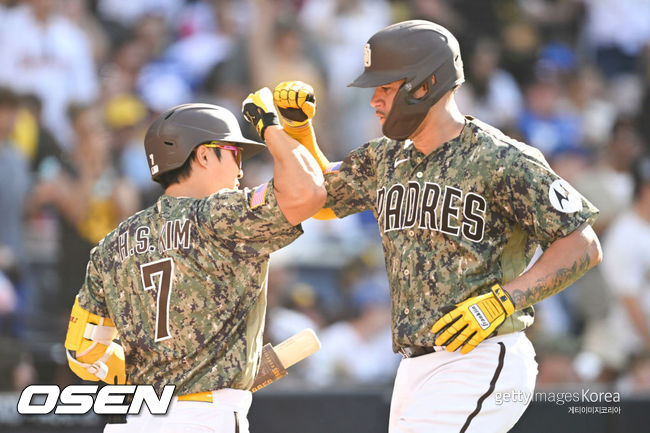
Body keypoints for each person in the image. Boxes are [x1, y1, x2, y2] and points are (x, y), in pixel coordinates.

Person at [255, 20, 602, 433]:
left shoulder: (501, 157)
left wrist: (503, 300)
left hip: (482, 354)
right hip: (414, 366)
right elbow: (321, 201)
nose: (375, 101)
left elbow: (582, 244)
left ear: (425, 84)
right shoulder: (386, 158)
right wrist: (298, 133)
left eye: (385, 88)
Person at [63, 98, 326, 432]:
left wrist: (144, 377)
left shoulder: (113, 244)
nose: (240, 169)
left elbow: (81, 351)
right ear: (204, 154)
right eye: (235, 153)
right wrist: (272, 127)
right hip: (205, 420)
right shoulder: (220, 215)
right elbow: (310, 193)